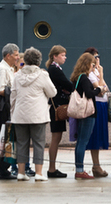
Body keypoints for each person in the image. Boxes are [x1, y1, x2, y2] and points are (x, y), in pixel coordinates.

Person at [10, 47, 57, 182]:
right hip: (38, 115)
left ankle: (20, 172)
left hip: (20, 115)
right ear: (38, 61)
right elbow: (53, 92)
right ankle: (38, 173)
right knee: (38, 143)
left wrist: (13, 113)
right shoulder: (42, 75)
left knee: (21, 144)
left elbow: (13, 96)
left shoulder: (17, 75)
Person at [70, 52, 104, 179]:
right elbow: (89, 93)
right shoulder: (84, 77)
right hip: (88, 113)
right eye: (92, 64)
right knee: (83, 142)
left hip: (81, 112)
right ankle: (80, 170)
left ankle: (79, 169)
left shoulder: (76, 77)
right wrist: (99, 90)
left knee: (80, 141)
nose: (93, 66)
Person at [0, 43, 19, 180]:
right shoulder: (3, 69)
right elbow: (0, 89)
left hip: (6, 105)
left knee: (7, 137)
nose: (18, 57)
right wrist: (15, 91)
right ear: (8, 55)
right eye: (16, 55)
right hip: (4, 106)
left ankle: (2, 169)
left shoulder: (7, 68)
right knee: (7, 137)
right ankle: (2, 169)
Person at [46, 45, 73, 178]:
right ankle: (51, 168)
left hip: (56, 106)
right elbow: (67, 84)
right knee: (56, 138)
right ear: (55, 56)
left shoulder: (53, 69)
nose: (65, 57)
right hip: (57, 107)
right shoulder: (54, 69)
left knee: (57, 137)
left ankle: (52, 167)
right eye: (62, 55)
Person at [84, 47, 110, 178]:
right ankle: (95, 165)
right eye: (95, 57)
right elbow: (100, 89)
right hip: (96, 104)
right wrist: (101, 75)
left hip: (102, 104)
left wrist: (101, 75)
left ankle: (96, 165)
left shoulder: (96, 72)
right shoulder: (89, 73)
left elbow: (106, 87)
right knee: (94, 135)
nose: (97, 59)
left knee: (99, 135)